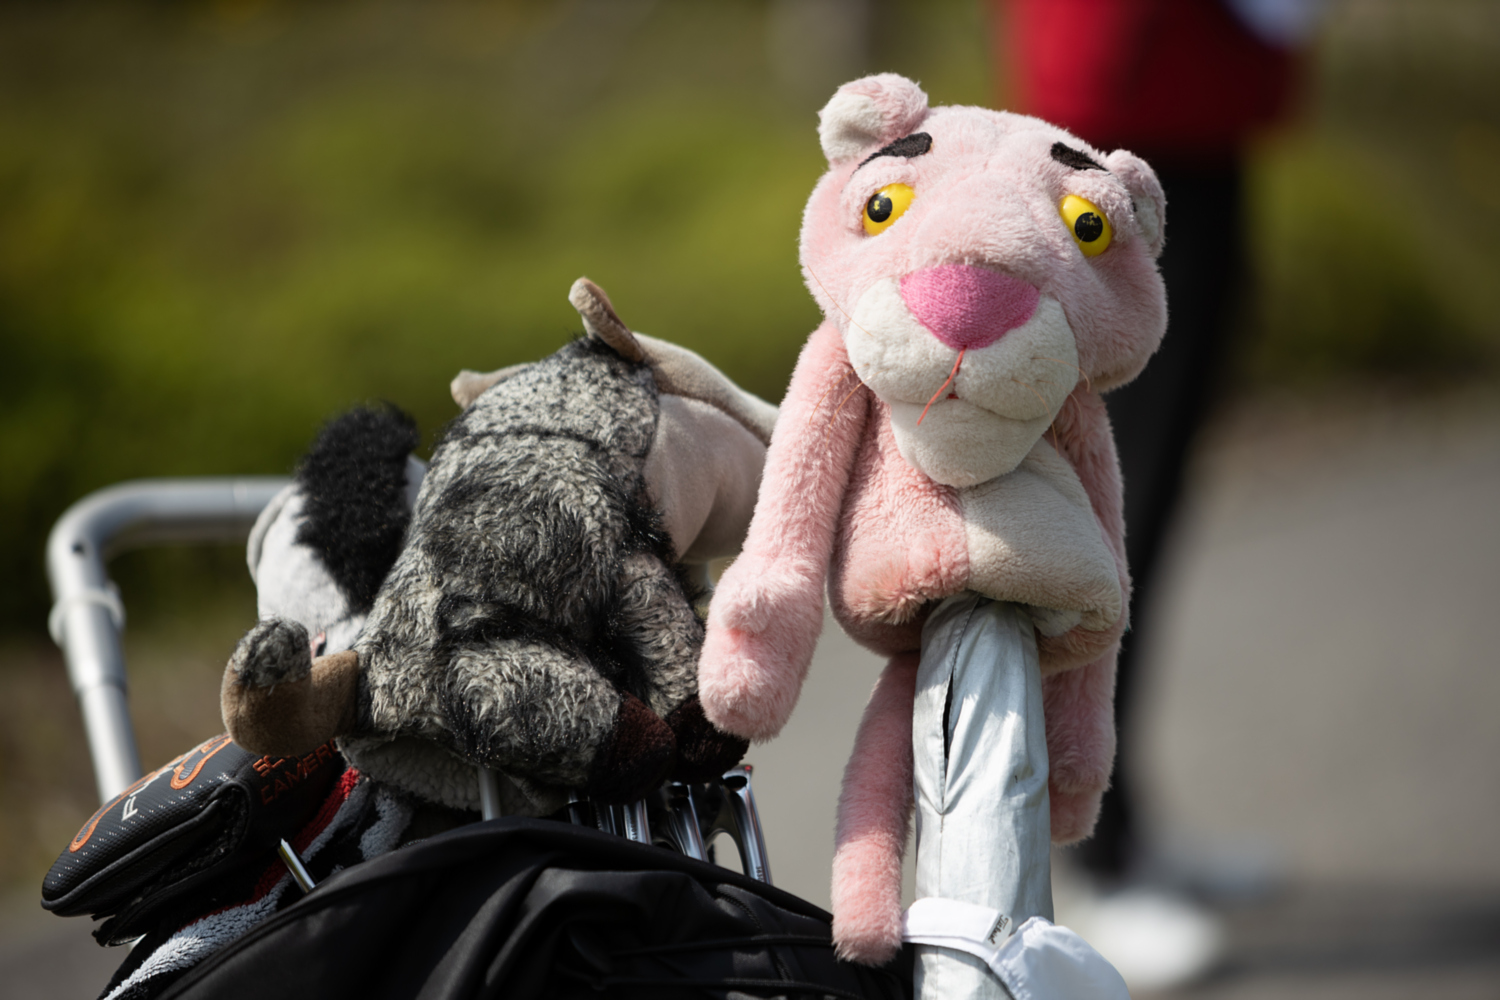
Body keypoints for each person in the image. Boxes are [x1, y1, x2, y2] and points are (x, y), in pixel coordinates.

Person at [993, 0, 1321, 988]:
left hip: (1186, 97)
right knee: (1108, 499)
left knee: (1145, 492)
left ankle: (1119, 820)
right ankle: (1086, 857)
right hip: (1125, 95)